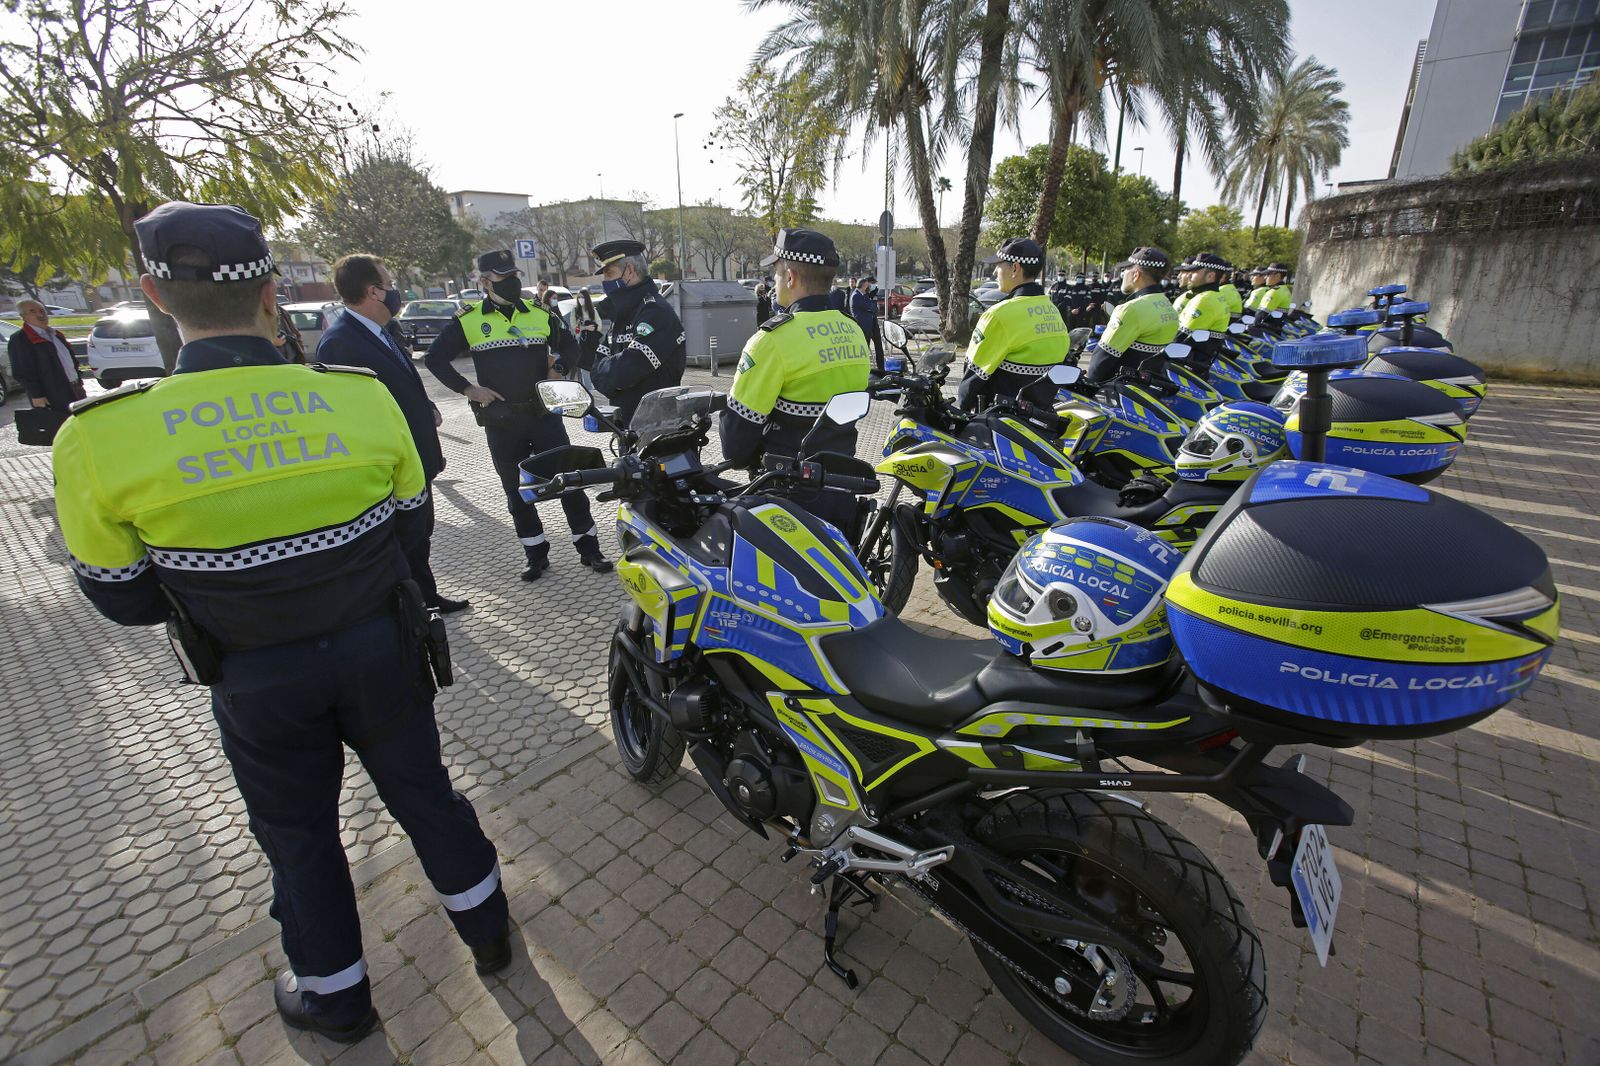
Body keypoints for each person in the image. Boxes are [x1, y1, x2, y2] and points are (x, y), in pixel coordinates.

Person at [53, 202, 509, 1042]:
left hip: (253, 675)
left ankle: (336, 1002)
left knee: (298, 838)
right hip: (383, 648)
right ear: (271, 291)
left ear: (155, 294)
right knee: (427, 798)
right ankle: (489, 934)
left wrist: (232, 601)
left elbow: (121, 597)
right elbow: (413, 527)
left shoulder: (101, 436)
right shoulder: (358, 397)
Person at [425, 250, 611, 580]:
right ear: (484, 282)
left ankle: (590, 549)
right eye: (502, 277)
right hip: (502, 421)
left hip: (543, 416)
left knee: (569, 482)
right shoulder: (468, 321)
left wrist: (561, 368)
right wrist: (469, 390)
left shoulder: (540, 313)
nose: (511, 282)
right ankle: (535, 554)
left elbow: (571, 347)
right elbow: (434, 360)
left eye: (514, 276)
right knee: (517, 492)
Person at [319, 254, 468, 615]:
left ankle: (426, 597)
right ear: (373, 291)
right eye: (389, 284)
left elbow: (398, 384)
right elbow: (350, 419)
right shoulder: (341, 344)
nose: (395, 292)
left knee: (420, 537)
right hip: (390, 471)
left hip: (414, 462)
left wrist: (426, 406)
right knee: (405, 540)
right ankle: (410, 607)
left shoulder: (379, 332)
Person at [720, 227, 870, 481]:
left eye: (776, 273)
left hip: (785, 496)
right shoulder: (854, 330)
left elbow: (734, 448)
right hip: (841, 489)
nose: (775, 281)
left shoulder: (771, 341)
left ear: (790, 277)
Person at [576, 239, 686, 426]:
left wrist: (609, 373)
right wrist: (608, 373)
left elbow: (625, 371)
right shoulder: (623, 315)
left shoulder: (655, 311)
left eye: (609, 273)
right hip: (627, 426)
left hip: (659, 429)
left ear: (629, 271)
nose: (605, 281)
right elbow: (596, 365)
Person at [956, 237, 1070, 412]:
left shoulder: (998, 315)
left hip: (999, 424)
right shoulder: (1053, 312)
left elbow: (972, 380)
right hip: (1042, 420)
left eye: (998, 265)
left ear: (1015, 268)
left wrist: (960, 415)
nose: (995, 272)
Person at [1082, 246, 1180, 386]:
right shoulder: (1168, 306)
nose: (1123, 273)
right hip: (1151, 387)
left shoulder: (1130, 310)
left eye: (1126, 269)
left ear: (1136, 275)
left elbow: (1100, 363)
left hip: (1121, 392)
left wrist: (1086, 388)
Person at [8, 299, 87, 410]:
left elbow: (71, 360)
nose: (40, 314)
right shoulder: (20, 339)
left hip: (74, 388)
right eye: (33, 311)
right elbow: (22, 371)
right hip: (52, 395)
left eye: (42, 311)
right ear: (23, 316)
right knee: (61, 426)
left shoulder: (56, 335)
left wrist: (78, 379)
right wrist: (36, 395)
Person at [849, 275, 884, 370]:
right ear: (864, 285)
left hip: (873, 324)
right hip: (864, 326)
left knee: (879, 347)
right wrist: (872, 306)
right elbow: (871, 307)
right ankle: (863, 368)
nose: (869, 286)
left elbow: (874, 309)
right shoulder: (856, 296)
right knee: (865, 348)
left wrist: (872, 306)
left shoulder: (864, 294)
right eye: (867, 285)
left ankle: (881, 368)